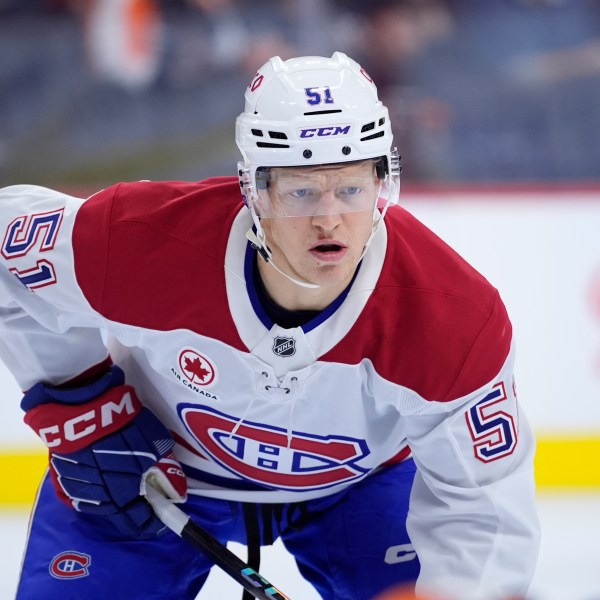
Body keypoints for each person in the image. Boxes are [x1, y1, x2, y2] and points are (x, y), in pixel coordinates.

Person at [0, 52, 539, 600]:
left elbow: (482, 511)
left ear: (382, 182)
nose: (329, 219)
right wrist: (80, 404)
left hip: (358, 487)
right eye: (301, 191)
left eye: (351, 188)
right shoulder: (142, 242)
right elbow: (6, 252)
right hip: (151, 476)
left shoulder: (453, 318)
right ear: (254, 190)